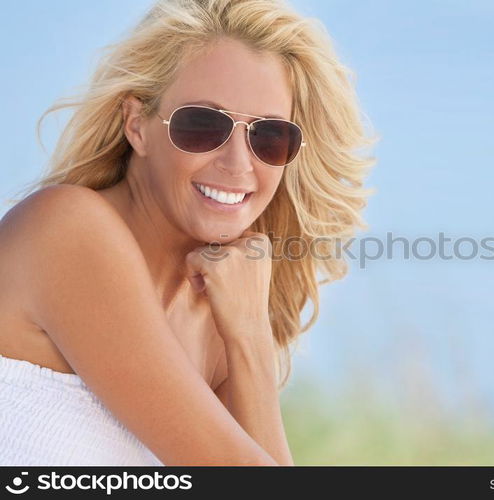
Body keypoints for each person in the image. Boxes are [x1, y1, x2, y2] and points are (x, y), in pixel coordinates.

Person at [0, 0, 376, 466]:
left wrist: (248, 333)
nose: (238, 163)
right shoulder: (65, 230)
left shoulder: (218, 326)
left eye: (269, 136)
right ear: (136, 125)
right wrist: (250, 338)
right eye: (203, 125)